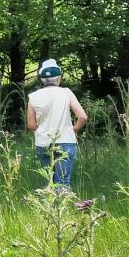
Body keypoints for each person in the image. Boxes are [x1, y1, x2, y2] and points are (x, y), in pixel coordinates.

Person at [26, 59, 88, 187]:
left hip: (43, 143)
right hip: (65, 141)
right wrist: (73, 130)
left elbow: (31, 125)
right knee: (63, 183)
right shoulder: (66, 93)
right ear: (59, 79)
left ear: (42, 80)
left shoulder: (33, 96)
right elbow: (82, 117)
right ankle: (62, 205)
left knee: (48, 182)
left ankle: (48, 206)